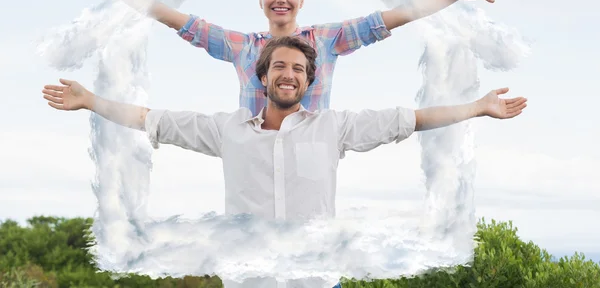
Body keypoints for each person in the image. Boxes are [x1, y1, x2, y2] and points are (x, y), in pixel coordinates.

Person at [42, 36, 527, 288]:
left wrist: (478, 106)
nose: (288, 74)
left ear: (309, 81)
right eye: (279, 66)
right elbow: (153, 118)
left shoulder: (333, 129)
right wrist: (90, 100)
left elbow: (412, 119)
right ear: (264, 76)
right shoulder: (226, 130)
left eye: (298, 68)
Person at [72, 0, 510, 116]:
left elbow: (394, 17)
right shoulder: (242, 45)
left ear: (301, 0)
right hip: (255, 157)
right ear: (261, 0)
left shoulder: (327, 39)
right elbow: (180, 21)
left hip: (310, 155)